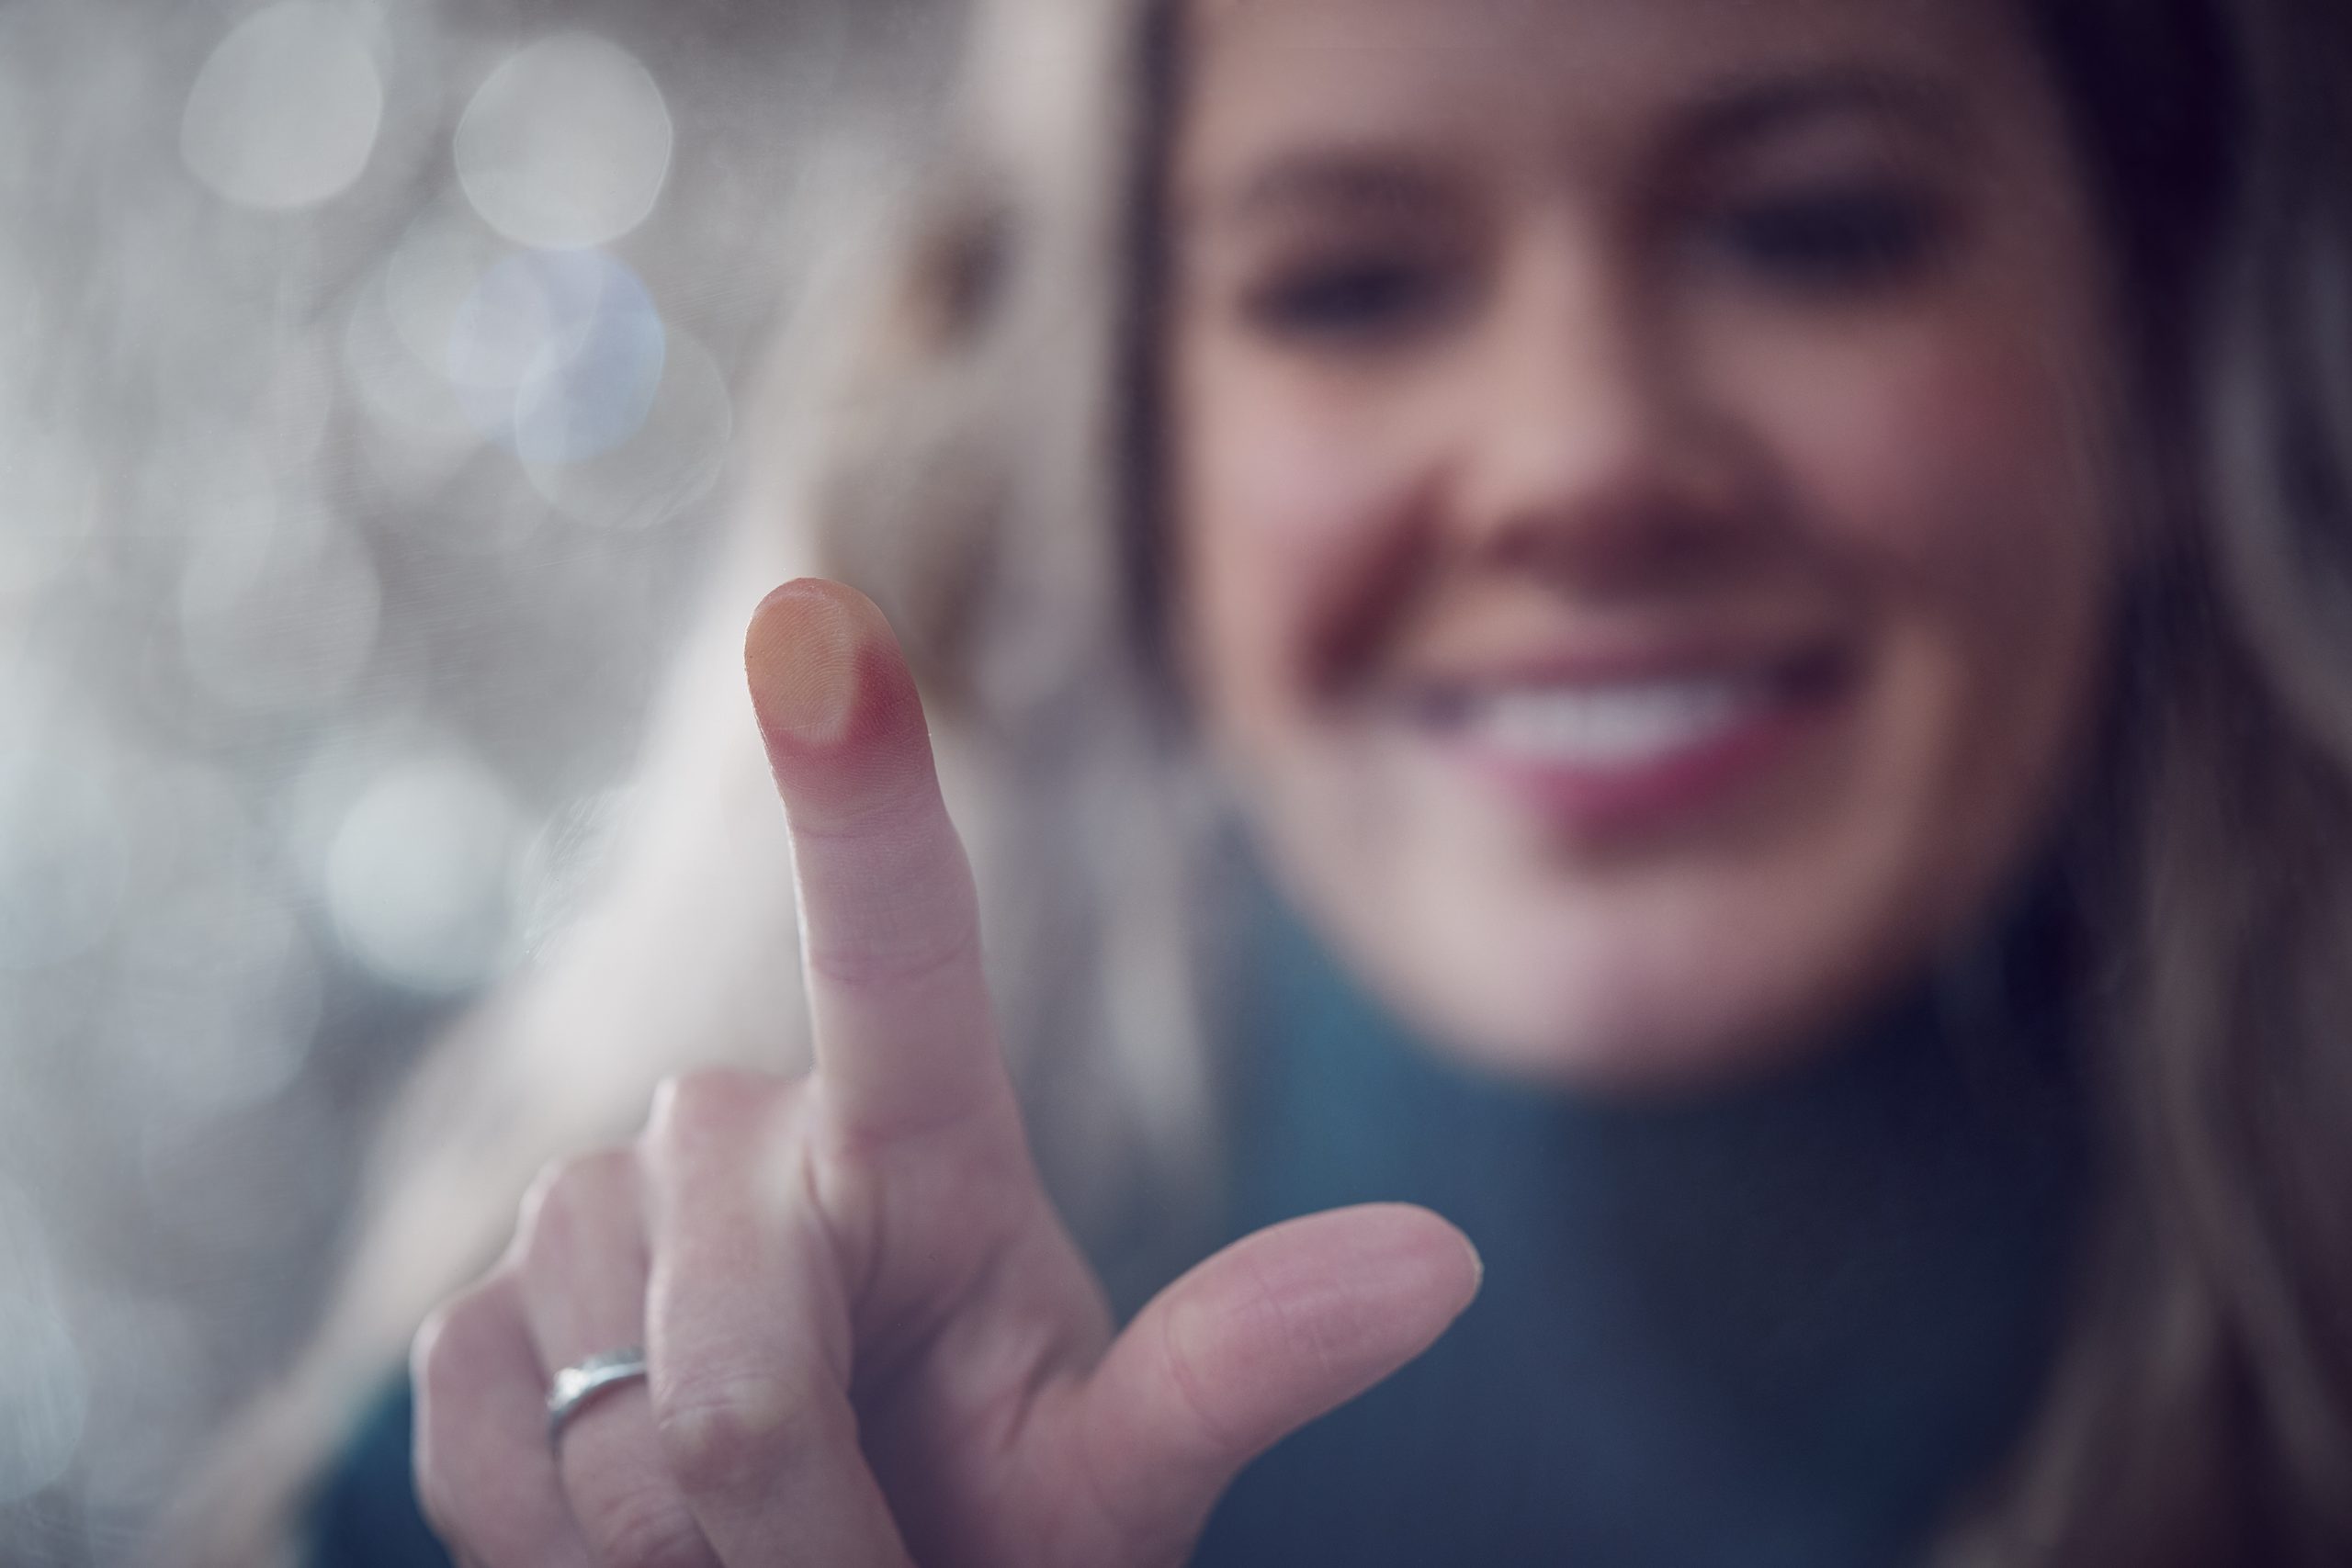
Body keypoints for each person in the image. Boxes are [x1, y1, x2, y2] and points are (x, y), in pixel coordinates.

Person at [172, 0, 2352, 1562]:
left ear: (2152, 347)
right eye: (1350, 284)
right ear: (1129, 456)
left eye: (1810, 227)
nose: (1577, 456)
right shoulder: (709, 1373)